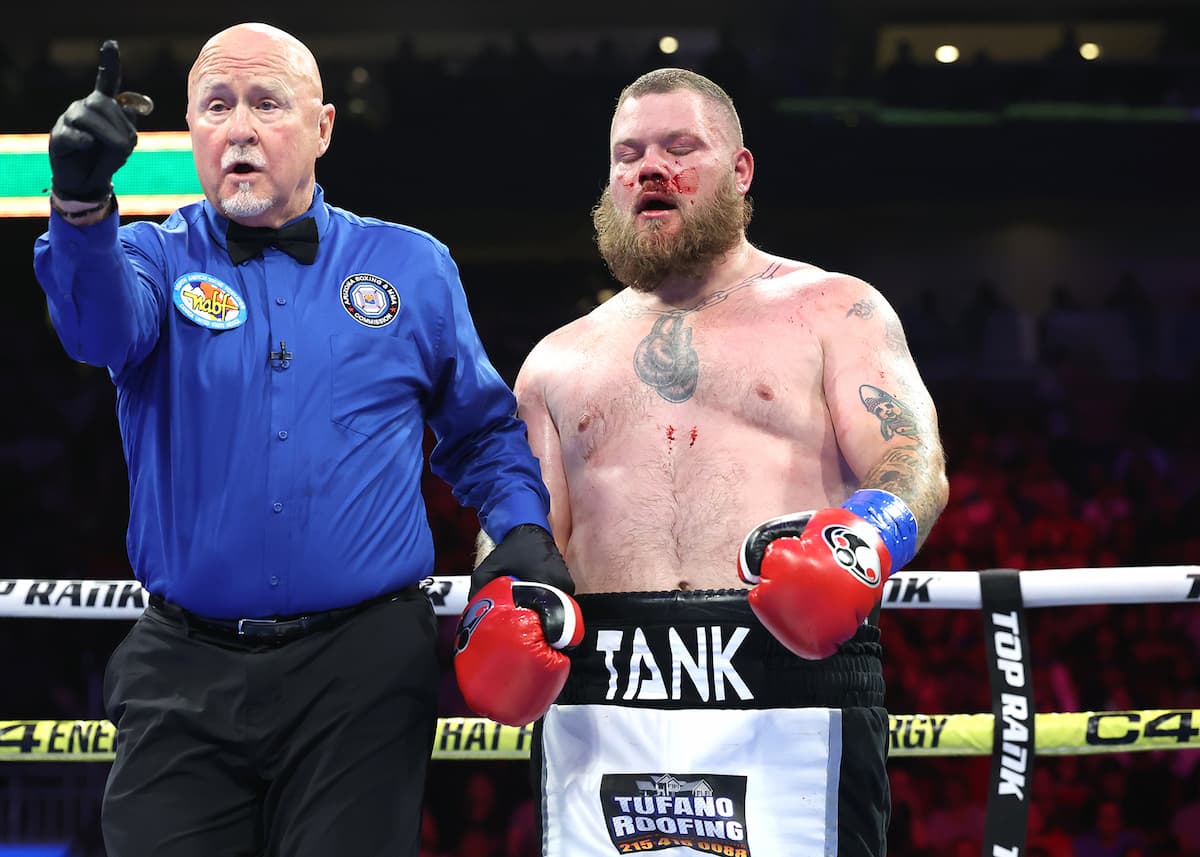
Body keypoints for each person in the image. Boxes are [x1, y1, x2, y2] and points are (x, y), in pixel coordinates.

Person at [32, 23, 573, 857]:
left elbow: (482, 430)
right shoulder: (148, 254)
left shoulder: (411, 267)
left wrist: (524, 532)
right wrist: (77, 207)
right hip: (184, 666)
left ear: (321, 128)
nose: (239, 127)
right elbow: (93, 328)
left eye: (265, 103)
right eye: (217, 105)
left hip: (360, 673)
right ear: (191, 130)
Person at [456, 68, 949, 856]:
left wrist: (863, 539)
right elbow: (520, 529)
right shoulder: (556, 361)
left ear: (742, 170)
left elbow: (912, 459)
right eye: (629, 154)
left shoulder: (832, 307)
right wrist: (499, 599)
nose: (650, 167)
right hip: (605, 690)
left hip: (784, 675)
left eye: (680, 147)